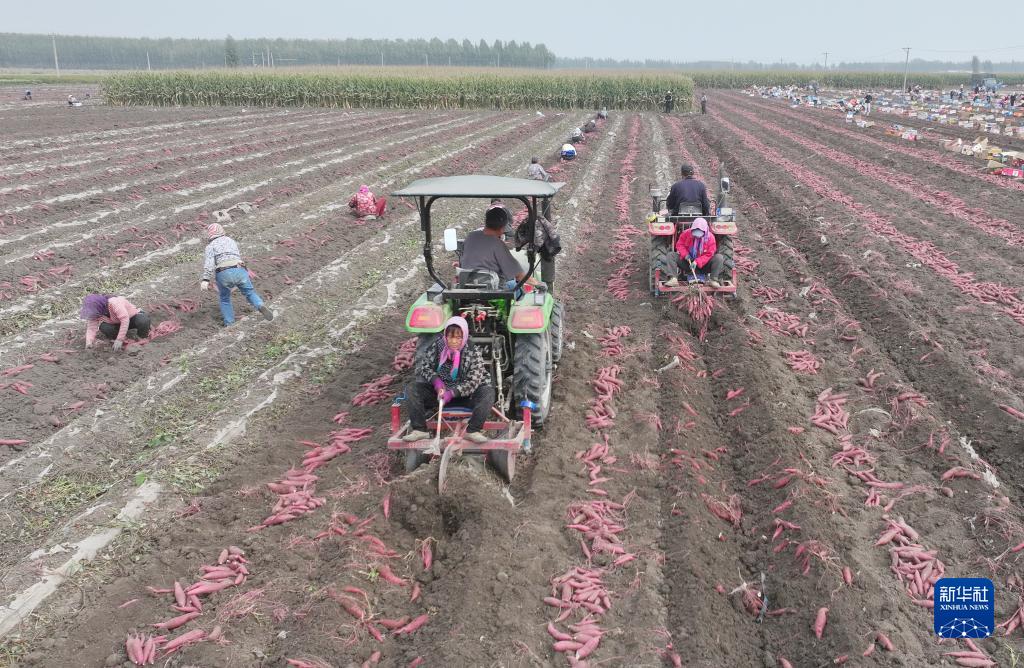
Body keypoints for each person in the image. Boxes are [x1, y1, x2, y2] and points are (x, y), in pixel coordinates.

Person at [403, 316, 494, 444]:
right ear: (445, 336)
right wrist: (437, 383)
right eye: (450, 337)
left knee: (488, 392)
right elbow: (425, 366)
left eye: (458, 337)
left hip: (466, 396)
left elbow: (474, 381)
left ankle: (473, 430)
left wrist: (452, 393)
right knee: (412, 388)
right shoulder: (438, 346)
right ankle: (420, 430)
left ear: (464, 337)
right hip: (440, 396)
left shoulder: (472, 351)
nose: (454, 341)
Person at [200, 223, 274, 326]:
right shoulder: (231, 241)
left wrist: (205, 279)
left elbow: (209, 263)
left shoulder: (210, 246)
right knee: (250, 292)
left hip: (223, 272)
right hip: (239, 269)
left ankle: (229, 323)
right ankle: (260, 305)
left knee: (225, 298)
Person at [461, 207, 535, 286]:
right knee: (516, 287)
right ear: (502, 228)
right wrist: (538, 284)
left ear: (486, 222)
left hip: (467, 287)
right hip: (493, 293)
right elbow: (519, 276)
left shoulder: (471, 237)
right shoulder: (498, 245)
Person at [664, 218, 727, 288]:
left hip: (704, 265)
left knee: (719, 257)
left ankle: (713, 280)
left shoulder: (710, 238)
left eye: (699, 235)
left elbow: (709, 254)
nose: (697, 237)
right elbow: (679, 245)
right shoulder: (686, 233)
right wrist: (685, 254)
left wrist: (697, 261)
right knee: (671, 255)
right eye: (695, 234)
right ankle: (673, 279)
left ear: (705, 232)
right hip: (688, 263)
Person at [80, 293, 151, 352]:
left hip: (132, 317)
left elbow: (125, 319)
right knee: (104, 327)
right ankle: (123, 340)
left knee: (143, 320)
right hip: (117, 322)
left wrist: (119, 339)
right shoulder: (96, 313)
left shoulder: (114, 303)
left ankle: (141, 338)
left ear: (99, 306)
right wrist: (89, 343)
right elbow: (91, 328)